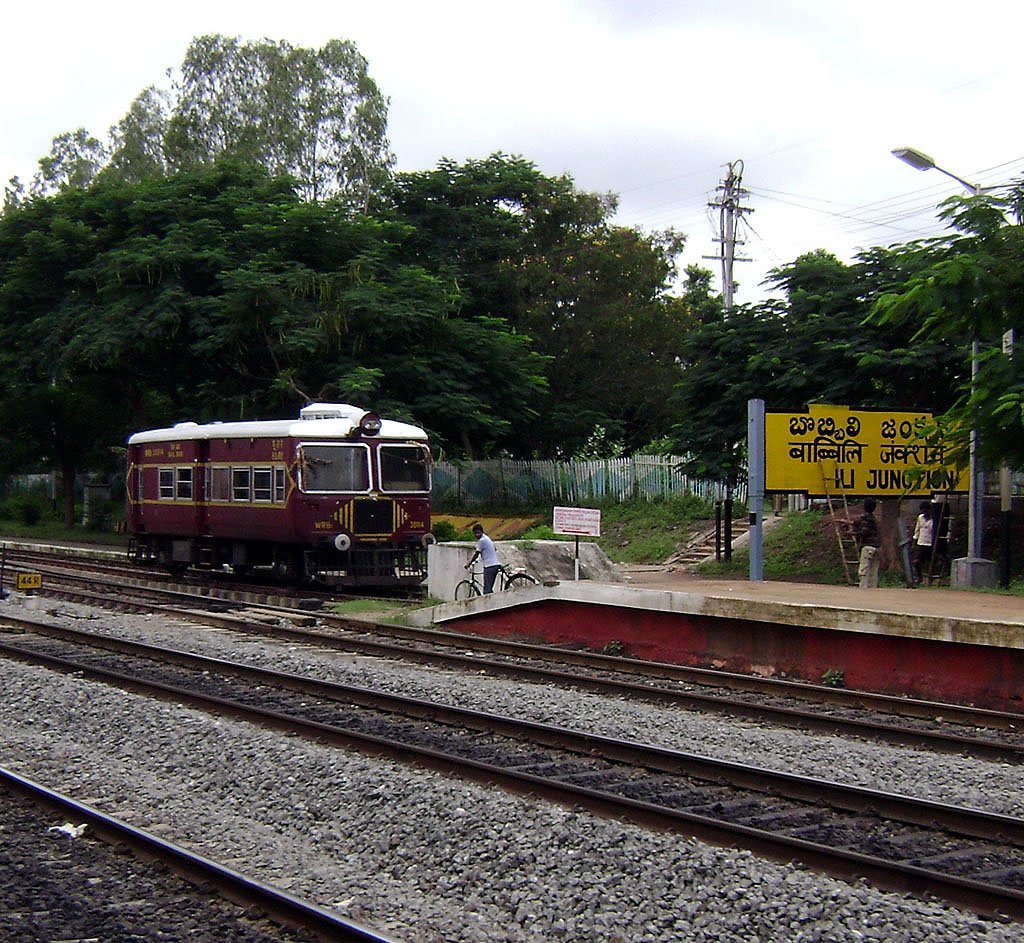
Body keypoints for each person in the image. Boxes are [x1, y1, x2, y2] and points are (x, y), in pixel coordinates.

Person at [851, 498, 881, 589]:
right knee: (873, 572)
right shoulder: (873, 518)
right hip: (877, 547)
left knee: (864, 570)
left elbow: (864, 531)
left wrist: (853, 533)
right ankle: (872, 591)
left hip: (867, 546)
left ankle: (863, 590)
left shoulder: (864, 517)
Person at [466, 522, 500, 594]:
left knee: (486, 591)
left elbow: (476, 554)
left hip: (489, 566)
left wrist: (469, 563)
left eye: (478, 533)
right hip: (495, 564)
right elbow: (493, 549)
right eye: (475, 533)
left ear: (482, 532)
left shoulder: (481, 541)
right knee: (489, 588)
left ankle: (490, 604)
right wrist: (480, 560)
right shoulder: (487, 538)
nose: (477, 535)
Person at [912, 501, 935, 585]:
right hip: (921, 543)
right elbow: (917, 531)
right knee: (916, 562)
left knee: (930, 562)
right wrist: (914, 544)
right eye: (923, 511)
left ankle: (930, 580)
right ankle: (920, 577)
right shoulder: (920, 518)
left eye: (926, 511)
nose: (924, 513)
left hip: (930, 544)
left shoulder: (934, 519)